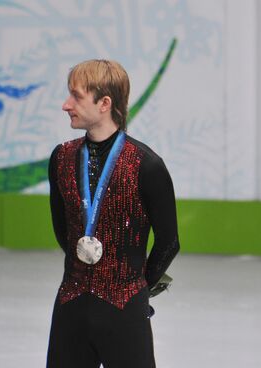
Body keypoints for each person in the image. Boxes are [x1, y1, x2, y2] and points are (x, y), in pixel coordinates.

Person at [46, 59, 180, 368]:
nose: (66, 105)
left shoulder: (146, 165)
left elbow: (169, 241)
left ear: (105, 103)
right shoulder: (62, 158)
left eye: (76, 96)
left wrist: (135, 287)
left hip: (124, 310)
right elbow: (63, 229)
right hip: (71, 303)